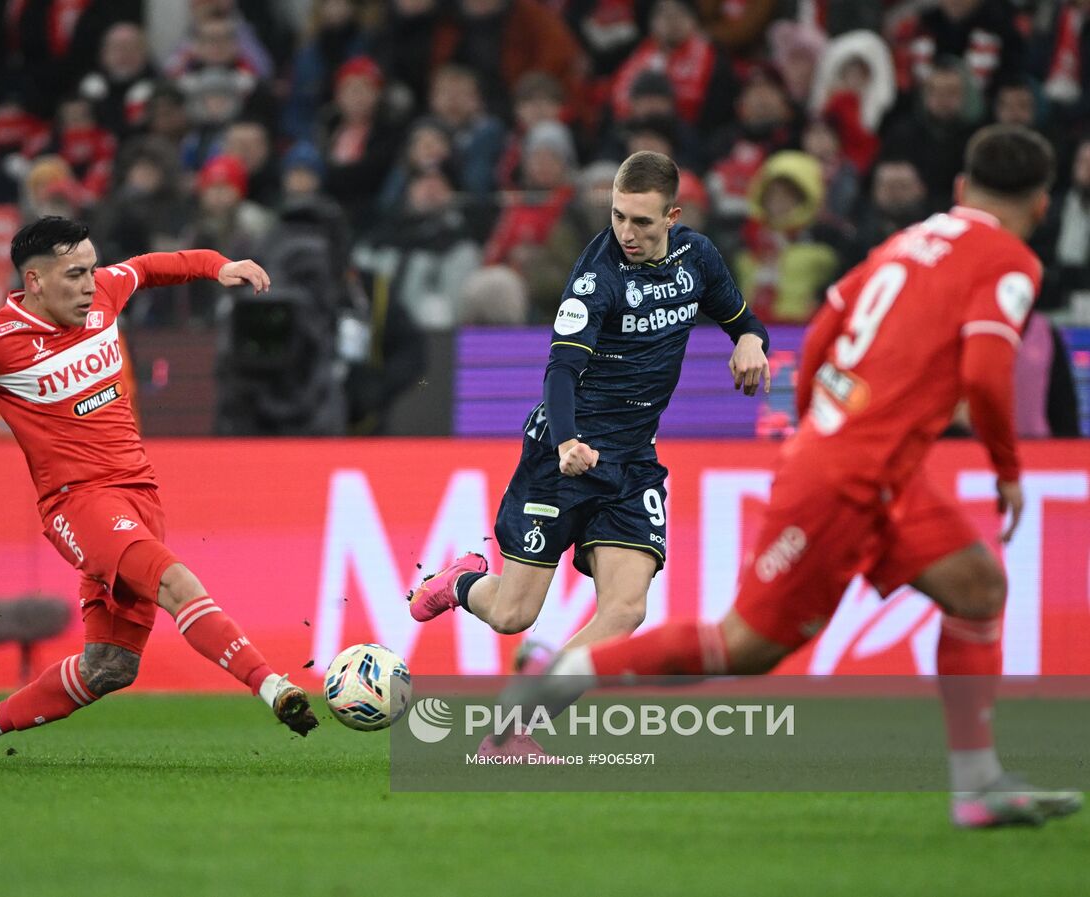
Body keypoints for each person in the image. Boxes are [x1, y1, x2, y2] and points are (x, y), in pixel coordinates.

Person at [508, 125, 1084, 829]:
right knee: (744, 647)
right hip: (849, 474)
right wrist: (1007, 468)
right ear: (1043, 205)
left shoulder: (913, 239)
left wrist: (815, 419)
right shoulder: (1011, 260)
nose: (627, 231)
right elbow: (987, 373)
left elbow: (829, 321)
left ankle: (978, 786)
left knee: (977, 589)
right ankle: (559, 674)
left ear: (962, 188)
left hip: (873, 467)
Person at [0, 217, 318, 768]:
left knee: (109, 667)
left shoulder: (104, 294)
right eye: (75, 275)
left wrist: (219, 266)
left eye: (91, 269)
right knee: (175, 581)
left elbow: (149, 267)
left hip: (140, 495)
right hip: (79, 503)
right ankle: (273, 686)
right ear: (35, 281)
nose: (90, 284)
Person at [408, 151, 770, 721]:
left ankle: (520, 721)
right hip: (562, 455)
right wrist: (566, 442)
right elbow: (560, 371)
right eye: (618, 216)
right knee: (512, 615)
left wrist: (750, 341)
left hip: (632, 462)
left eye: (641, 221)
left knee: (625, 612)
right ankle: (461, 583)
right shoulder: (596, 277)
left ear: (672, 216)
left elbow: (743, 321)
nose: (626, 232)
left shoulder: (697, 257)